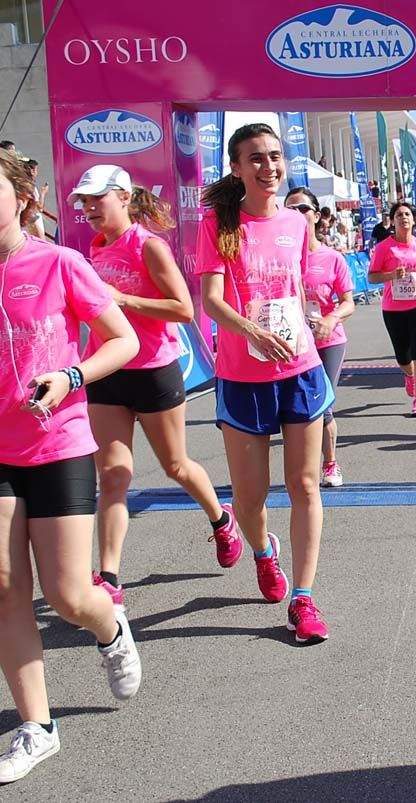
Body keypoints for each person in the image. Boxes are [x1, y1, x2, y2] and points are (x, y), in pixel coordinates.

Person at [0, 148, 143, 784]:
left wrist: (70, 374)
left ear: (22, 200)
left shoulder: (59, 262)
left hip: (57, 442)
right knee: (5, 589)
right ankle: (37, 726)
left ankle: (109, 626)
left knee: (66, 596)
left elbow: (124, 339)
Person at [71, 165, 239, 607]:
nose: (88, 208)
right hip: (107, 369)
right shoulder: (95, 246)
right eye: (84, 201)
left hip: (153, 369)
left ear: (124, 197)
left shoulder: (149, 246)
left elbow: (184, 310)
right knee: (112, 476)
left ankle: (222, 520)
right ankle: (108, 576)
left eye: (96, 199)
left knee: (176, 466)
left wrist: (123, 299)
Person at [198, 123, 333, 644]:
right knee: (251, 501)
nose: (268, 166)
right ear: (237, 167)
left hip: (298, 370)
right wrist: (253, 330)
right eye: (255, 158)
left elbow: (297, 292)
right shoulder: (219, 224)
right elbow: (211, 300)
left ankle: (304, 598)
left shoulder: (297, 223)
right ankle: (262, 550)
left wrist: (309, 330)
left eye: (275, 156)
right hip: (242, 376)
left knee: (304, 485)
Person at [287, 187, 355, 487]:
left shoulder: (332, 258)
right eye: (291, 208)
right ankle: (301, 469)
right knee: (294, 409)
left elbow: (348, 301)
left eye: (303, 208)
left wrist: (331, 318)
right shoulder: (281, 255)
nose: (298, 214)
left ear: (316, 215)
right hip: (291, 342)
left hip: (328, 341)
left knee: (322, 404)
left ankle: (329, 463)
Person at [368, 201, 416, 418]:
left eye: (407, 214)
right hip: (394, 306)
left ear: (414, 219)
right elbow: (372, 277)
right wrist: (391, 276)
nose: (404, 218)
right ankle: (409, 375)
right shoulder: (384, 247)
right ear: (393, 220)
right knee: (402, 355)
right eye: (399, 215)